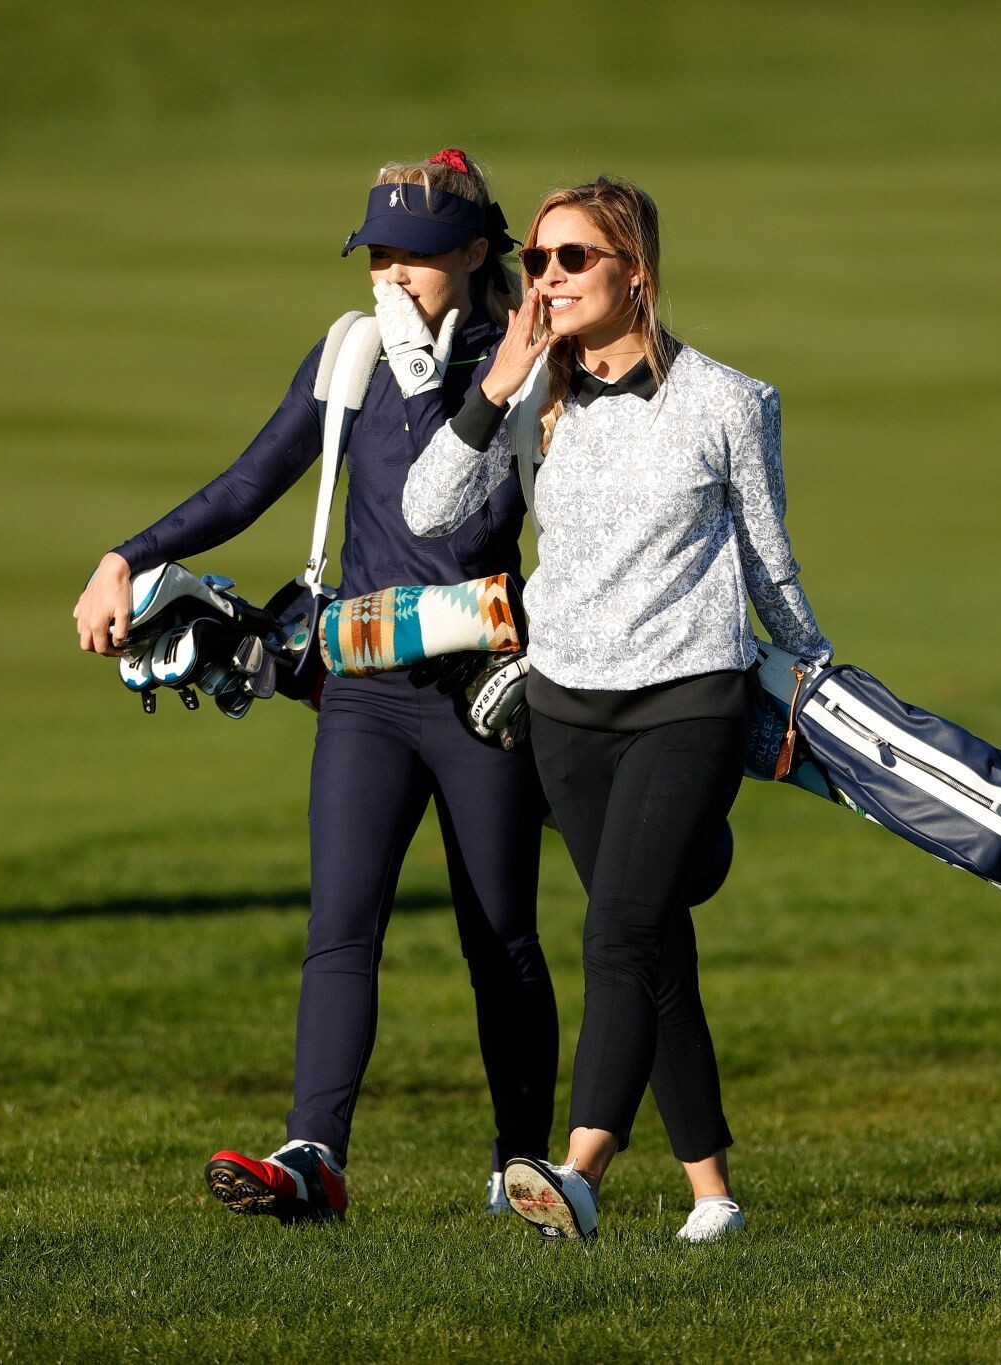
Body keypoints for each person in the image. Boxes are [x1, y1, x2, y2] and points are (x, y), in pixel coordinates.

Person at [72, 150, 556, 1223]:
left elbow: (541, 515)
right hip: (365, 694)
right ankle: (313, 1158)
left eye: (415, 256)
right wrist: (126, 556)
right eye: (378, 254)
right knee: (340, 926)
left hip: (485, 693)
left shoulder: (521, 360)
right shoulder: (350, 354)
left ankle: (523, 1167)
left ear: (476, 253)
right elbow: (250, 482)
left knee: (501, 939)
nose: (391, 275)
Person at [404, 176, 831, 1243]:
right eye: (537, 260)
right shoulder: (530, 397)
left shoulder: (730, 401)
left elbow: (769, 566)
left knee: (617, 932)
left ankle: (580, 1168)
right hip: (566, 713)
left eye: (573, 258)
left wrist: (820, 676)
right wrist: (497, 383)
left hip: (689, 701)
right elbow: (426, 511)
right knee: (653, 944)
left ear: (635, 272)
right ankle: (713, 1194)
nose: (546, 278)